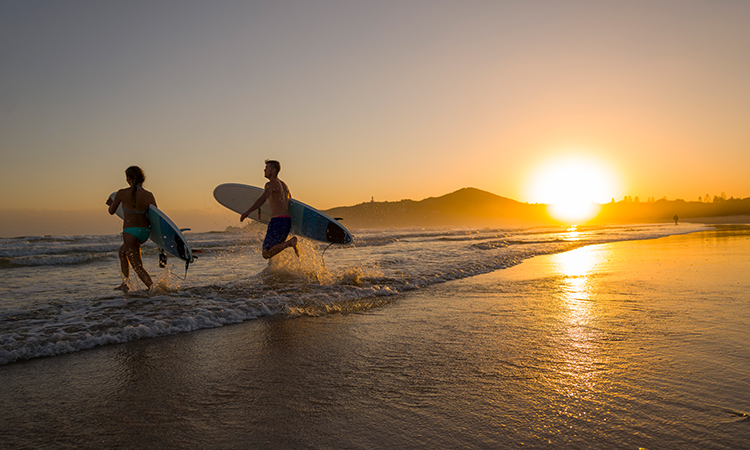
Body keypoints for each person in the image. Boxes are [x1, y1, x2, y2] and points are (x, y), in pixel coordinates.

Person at [106, 166, 156, 292]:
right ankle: (125, 283)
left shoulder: (121, 193)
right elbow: (155, 216)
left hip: (130, 233)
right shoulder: (149, 195)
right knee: (122, 252)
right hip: (144, 232)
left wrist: (111, 203)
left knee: (138, 267)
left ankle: (153, 289)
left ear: (129, 178)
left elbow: (112, 211)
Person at [240, 159, 299, 259]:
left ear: (274, 171)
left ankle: (290, 242)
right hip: (286, 221)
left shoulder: (270, 184)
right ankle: (287, 246)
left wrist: (248, 211)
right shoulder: (285, 185)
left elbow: (262, 199)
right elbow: (290, 202)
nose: (264, 170)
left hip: (278, 221)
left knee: (266, 253)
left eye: (267, 168)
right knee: (273, 250)